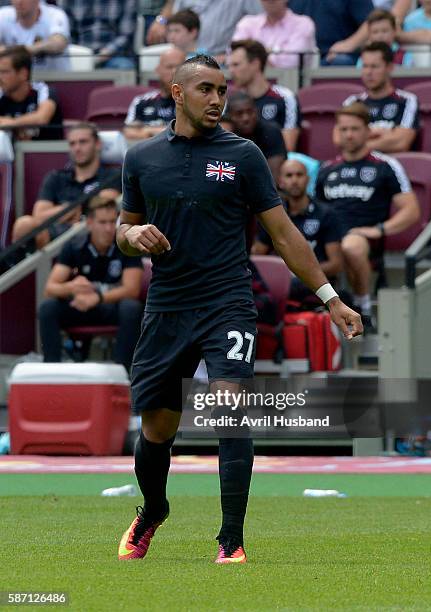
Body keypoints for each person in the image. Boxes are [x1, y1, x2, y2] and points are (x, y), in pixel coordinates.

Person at [116, 54, 362, 564]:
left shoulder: (243, 155)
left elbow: (284, 233)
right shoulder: (140, 159)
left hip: (228, 300)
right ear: (177, 93)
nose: (217, 98)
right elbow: (123, 230)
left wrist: (330, 298)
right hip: (167, 306)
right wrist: (131, 234)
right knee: (157, 429)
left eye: (222, 89)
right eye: (205, 88)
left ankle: (231, 539)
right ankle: (153, 510)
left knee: (231, 409)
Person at [316, 102, 420, 327]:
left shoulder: (385, 165)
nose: (349, 135)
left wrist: (378, 229)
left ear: (367, 131)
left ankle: (363, 305)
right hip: (330, 237)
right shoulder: (326, 169)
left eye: (355, 129)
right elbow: (316, 210)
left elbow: (412, 211)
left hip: (363, 237)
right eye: (344, 129)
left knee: (351, 245)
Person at [38, 198, 143, 372]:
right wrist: (72, 287)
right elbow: (50, 289)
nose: (109, 228)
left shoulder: (126, 245)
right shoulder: (74, 246)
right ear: (89, 223)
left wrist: (98, 297)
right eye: (102, 222)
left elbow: (132, 290)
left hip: (110, 307)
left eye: (112, 222)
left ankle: (125, 373)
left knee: (131, 308)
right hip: (81, 306)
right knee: (48, 307)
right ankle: (51, 370)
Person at [12, 121, 121, 249]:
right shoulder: (56, 177)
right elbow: (39, 216)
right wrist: (71, 208)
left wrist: (61, 212)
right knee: (24, 224)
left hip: (89, 232)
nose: (77, 148)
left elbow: (103, 205)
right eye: (72, 144)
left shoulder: (113, 175)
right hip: (53, 234)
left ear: (97, 144)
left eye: (83, 142)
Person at [252, 159, 344, 301]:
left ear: (308, 179)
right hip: (279, 280)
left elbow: (335, 264)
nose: (294, 180)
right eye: (289, 176)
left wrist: (300, 272)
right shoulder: (272, 215)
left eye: (299, 175)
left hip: (313, 282)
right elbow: (258, 254)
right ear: (280, 181)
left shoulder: (326, 214)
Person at [342, 42, 419, 153]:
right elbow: (341, 140)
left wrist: (359, 143)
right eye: (365, 66)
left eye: (374, 66)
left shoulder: (407, 100)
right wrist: (386, 134)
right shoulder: (352, 102)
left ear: (390, 68)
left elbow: (401, 143)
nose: (368, 72)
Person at [228, 39, 301, 151]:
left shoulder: (285, 97)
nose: (231, 71)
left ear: (255, 64)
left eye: (236, 65)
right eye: (229, 66)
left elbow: (287, 147)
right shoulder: (231, 101)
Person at [145, 0, 263, 61]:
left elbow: (261, 20)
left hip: (223, 60)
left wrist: (232, 55)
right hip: (183, 56)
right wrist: (161, 21)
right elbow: (176, 18)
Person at [0, 45, 62, 140]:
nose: (0, 77)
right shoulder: (1, 93)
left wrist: (11, 123)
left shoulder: (42, 91)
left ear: (23, 74)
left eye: (4, 72)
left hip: (46, 152)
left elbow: (41, 118)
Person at [124, 47, 185, 141]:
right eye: (169, 67)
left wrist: (148, 131)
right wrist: (169, 132)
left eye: (179, 67)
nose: (174, 72)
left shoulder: (193, 102)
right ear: (158, 70)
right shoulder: (142, 101)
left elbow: (191, 133)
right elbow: (128, 132)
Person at [232, 0, 316, 68]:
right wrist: (268, 54)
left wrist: (255, 56)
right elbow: (234, 56)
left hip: (291, 86)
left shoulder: (303, 24)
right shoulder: (247, 23)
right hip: (248, 86)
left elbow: (291, 63)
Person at [289, 0, 374, 66]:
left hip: (333, 57)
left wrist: (349, 44)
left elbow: (371, 21)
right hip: (295, 56)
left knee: (341, 61)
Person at [57, 0, 136, 69]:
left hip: (115, 55)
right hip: (79, 54)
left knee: (124, 67)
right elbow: (65, 33)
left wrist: (108, 51)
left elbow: (126, 34)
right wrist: (79, 52)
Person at [226, 91, 286, 182]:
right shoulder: (226, 135)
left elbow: (274, 180)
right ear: (229, 116)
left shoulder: (271, 131)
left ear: (257, 111)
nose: (246, 118)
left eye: (250, 112)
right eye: (239, 114)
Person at [0, 0, 70, 71]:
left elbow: (59, 43)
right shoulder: (3, 14)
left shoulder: (55, 14)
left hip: (54, 79)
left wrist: (24, 51)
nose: (19, 2)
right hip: (17, 80)